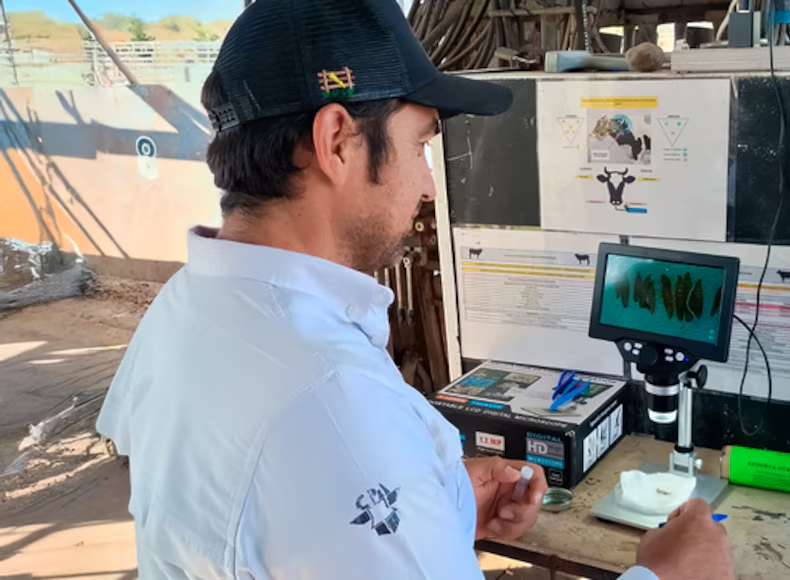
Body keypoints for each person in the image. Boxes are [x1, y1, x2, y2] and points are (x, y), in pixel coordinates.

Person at [95, 0, 735, 578]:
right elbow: (321, 463)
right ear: (336, 141)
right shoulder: (334, 399)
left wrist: (437, 507)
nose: (428, 187)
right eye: (420, 143)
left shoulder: (181, 310)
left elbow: (263, 524)